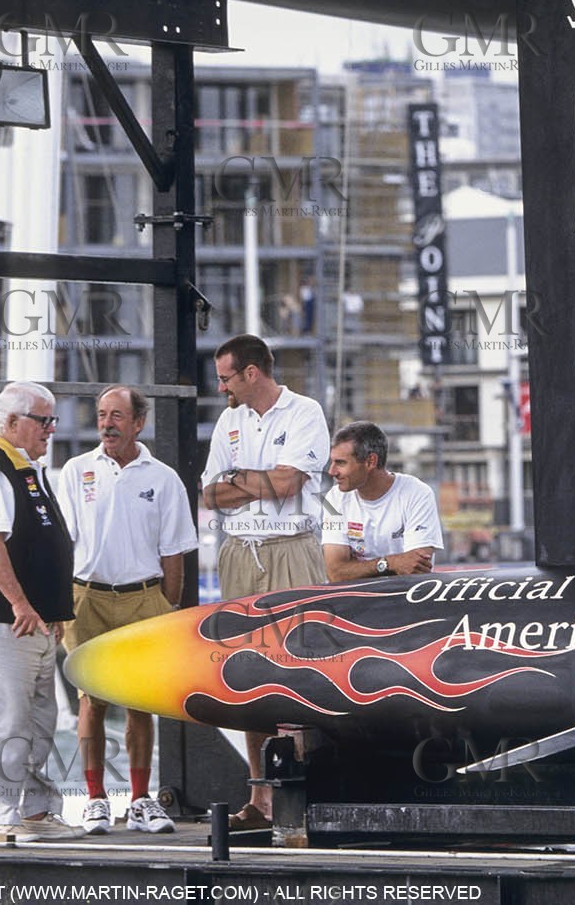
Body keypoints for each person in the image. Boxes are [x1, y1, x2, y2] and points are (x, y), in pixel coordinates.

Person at [200, 334, 330, 832]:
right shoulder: (229, 420)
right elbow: (210, 494)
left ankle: (305, 795)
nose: (220, 387)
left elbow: (289, 485)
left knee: (300, 667)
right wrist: (260, 481)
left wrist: (243, 480)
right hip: (238, 553)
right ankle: (260, 800)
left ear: (251, 373)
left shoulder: (304, 412)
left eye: (225, 377)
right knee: (244, 673)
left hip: (292, 548)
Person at [57, 385, 197, 835]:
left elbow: (175, 551)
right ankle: (95, 799)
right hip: (87, 597)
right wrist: (60, 602)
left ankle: (140, 800)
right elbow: (63, 544)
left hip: (144, 597)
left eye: (117, 415)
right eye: (101, 415)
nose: (107, 423)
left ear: (139, 423)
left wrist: (166, 605)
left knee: (141, 701)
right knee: (91, 700)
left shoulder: (163, 477)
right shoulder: (76, 471)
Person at [0, 381, 84, 841]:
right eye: (43, 420)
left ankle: (34, 811)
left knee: (38, 720)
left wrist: (47, 609)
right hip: (2, 619)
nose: (51, 428)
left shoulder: (29, 470)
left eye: (52, 420)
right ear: (12, 423)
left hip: (36, 621)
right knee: (3, 720)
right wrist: (20, 603)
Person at [322, 421, 443, 582]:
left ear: (370, 462)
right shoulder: (335, 498)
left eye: (341, 463)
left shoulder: (417, 493)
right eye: (332, 462)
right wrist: (390, 563)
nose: (332, 471)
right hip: (358, 601)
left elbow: (415, 569)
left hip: (407, 600)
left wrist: (357, 568)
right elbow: (335, 573)